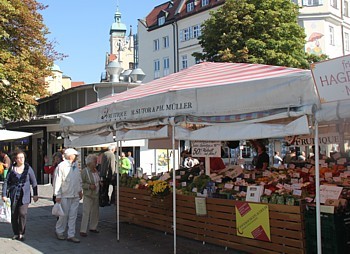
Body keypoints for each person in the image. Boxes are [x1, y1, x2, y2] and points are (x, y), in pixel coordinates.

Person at [2, 149, 38, 241]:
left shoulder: (28, 169)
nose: (21, 159)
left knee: (22, 213)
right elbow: (6, 182)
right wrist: (4, 194)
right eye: (19, 158)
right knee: (14, 214)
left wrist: (35, 194)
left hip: (24, 194)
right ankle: (16, 232)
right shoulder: (12, 169)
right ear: (15, 159)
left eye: (22, 157)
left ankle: (22, 232)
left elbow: (34, 182)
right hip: (14, 194)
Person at [54, 148, 82, 243]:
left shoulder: (75, 166)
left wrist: (79, 190)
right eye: (75, 155)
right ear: (70, 156)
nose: (76, 157)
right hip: (65, 195)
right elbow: (57, 181)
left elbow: (78, 180)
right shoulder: (61, 166)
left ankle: (71, 234)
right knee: (63, 215)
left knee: (73, 215)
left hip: (75, 194)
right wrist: (57, 195)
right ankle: (60, 231)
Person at [80, 154, 100, 237]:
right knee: (86, 212)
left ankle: (93, 227)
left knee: (95, 212)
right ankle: (83, 230)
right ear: (90, 163)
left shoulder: (96, 170)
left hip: (96, 193)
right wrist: (89, 186)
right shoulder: (85, 171)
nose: (96, 163)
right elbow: (81, 183)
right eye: (95, 161)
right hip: (88, 194)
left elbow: (97, 179)